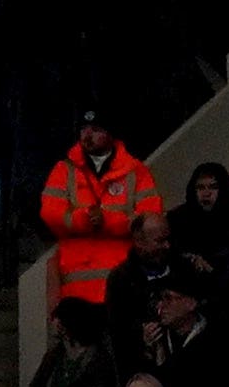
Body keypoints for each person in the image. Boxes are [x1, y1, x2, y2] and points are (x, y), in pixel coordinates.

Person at [38, 110, 158, 315]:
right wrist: (83, 219)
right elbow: (50, 214)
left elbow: (151, 219)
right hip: (76, 292)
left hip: (123, 288)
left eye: (96, 130)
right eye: (84, 129)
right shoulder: (64, 170)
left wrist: (107, 221)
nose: (87, 135)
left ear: (110, 133)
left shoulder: (135, 171)